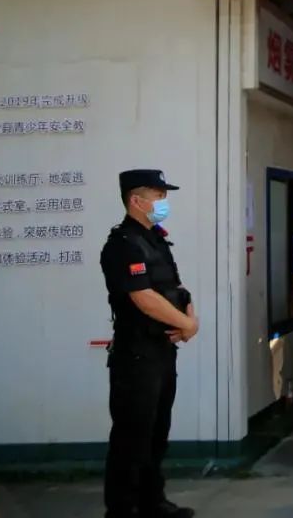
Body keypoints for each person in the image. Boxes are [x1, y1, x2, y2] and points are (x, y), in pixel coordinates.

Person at [101, 169, 198, 518]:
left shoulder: (155, 240)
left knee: (157, 432)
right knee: (132, 436)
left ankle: (151, 502)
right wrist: (186, 324)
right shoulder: (123, 244)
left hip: (162, 351)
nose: (163, 202)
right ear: (136, 200)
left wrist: (189, 316)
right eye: (158, 196)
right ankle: (122, 509)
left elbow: (176, 288)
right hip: (137, 355)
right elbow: (143, 297)